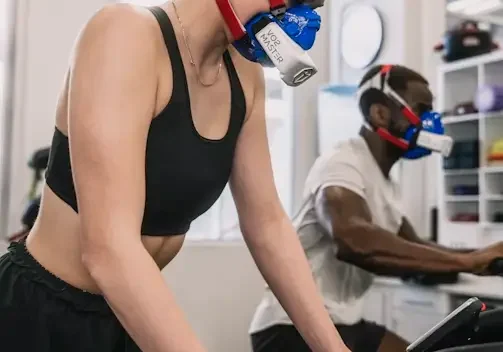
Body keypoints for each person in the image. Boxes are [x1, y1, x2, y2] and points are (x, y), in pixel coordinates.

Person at [0, 1, 351, 352]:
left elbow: (268, 225)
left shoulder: (244, 75)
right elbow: (109, 249)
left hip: (122, 316)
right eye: (294, 1)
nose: (296, 16)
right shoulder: (125, 35)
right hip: (35, 312)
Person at [249, 64, 503, 352]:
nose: (430, 120)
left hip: (345, 321)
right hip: (291, 327)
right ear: (380, 113)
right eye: (421, 110)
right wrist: (470, 262)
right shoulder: (343, 162)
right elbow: (354, 239)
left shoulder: (386, 184)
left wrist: (485, 259)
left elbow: (416, 247)